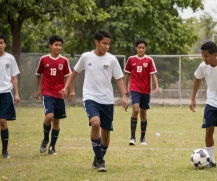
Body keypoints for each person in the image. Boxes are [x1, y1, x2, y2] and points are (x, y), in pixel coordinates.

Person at [60, 30, 128, 172]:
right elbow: (75, 73)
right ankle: (101, 161)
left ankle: (97, 158)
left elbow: (119, 79)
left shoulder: (112, 59)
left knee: (106, 134)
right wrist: (67, 88)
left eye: (109, 44)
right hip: (90, 97)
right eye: (104, 43)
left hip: (107, 100)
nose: (107, 46)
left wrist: (124, 96)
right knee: (95, 122)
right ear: (96, 42)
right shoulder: (86, 57)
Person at [34, 35, 74, 155]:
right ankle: (46, 139)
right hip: (47, 92)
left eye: (60, 45)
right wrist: (36, 90)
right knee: (49, 117)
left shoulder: (64, 61)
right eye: (56, 45)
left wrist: (71, 90)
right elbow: (38, 75)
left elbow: (69, 76)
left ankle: (52, 147)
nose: (58, 47)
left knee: (56, 121)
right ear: (50, 46)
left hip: (60, 94)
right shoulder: (44, 59)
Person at [124, 38, 159, 146]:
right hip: (134, 89)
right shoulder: (131, 59)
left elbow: (153, 74)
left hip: (145, 90)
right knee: (135, 109)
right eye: (139, 47)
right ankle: (132, 137)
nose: (141, 49)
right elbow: (127, 75)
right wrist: (125, 88)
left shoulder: (149, 60)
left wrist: (156, 86)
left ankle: (142, 138)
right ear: (136, 48)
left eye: (143, 48)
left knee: (143, 114)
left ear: (145, 48)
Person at [0, 33, 20, 159]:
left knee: (2, 120)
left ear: (5, 44)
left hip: (6, 93)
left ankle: (5, 150)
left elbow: (13, 77)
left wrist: (17, 93)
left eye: (1, 43)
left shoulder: (10, 58)